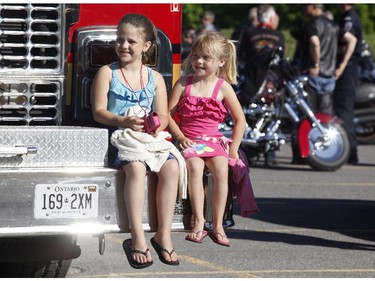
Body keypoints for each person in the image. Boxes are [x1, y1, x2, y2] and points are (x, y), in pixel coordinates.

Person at [91, 13, 183, 269]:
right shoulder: (107, 73)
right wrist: (124, 121)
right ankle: (137, 238)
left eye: (131, 41)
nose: (123, 45)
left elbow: (164, 115)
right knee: (136, 167)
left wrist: (156, 126)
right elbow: (98, 111)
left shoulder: (154, 79)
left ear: (146, 46)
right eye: (119, 39)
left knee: (173, 166)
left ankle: (163, 234)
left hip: (147, 138)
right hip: (119, 137)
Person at [168, 31, 246, 247]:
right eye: (196, 56)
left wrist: (233, 149)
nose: (199, 61)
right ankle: (199, 221)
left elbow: (240, 120)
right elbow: (168, 115)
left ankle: (218, 224)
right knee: (194, 167)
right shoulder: (184, 84)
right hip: (190, 141)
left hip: (214, 140)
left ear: (221, 61)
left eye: (206, 58)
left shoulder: (223, 88)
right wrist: (180, 136)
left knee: (221, 169)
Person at [239, 4, 285, 167]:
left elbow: (242, 57)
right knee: (271, 117)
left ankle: (248, 154)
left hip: (251, 83)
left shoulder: (249, 33)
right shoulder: (278, 35)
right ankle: (270, 156)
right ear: (271, 18)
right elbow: (281, 60)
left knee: (249, 117)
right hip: (271, 84)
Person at [333, 4, 363, 164]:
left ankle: (351, 152)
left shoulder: (349, 16)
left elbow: (351, 39)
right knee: (342, 111)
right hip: (348, 69)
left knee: (344, 112)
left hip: (348, 69)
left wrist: (342, 65)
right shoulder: (346, 15)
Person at [296, 4, 339, 114]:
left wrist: (316, 65)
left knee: (309, 114)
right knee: (326, 115)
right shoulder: (333, 25)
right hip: (329, 75)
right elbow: (351, 39)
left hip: (313, 75)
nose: (303, 8)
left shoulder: (311, 24)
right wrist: (341, 66)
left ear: (314, 6)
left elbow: (315, 42)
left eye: (305, 5)